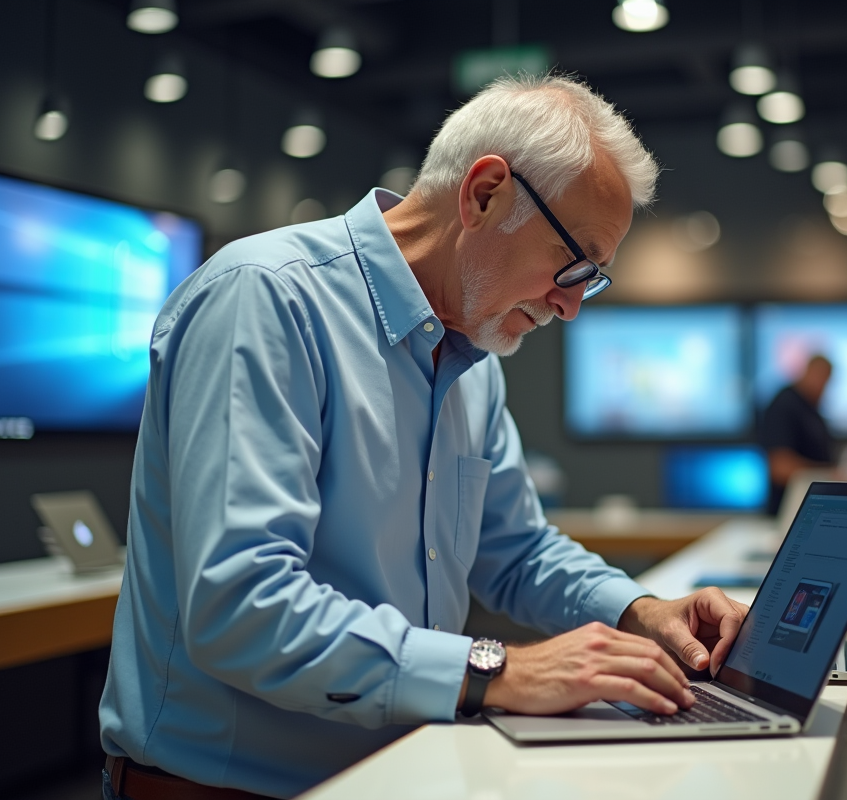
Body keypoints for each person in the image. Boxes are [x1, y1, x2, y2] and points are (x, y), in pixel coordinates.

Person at [98, 75, 749, 800]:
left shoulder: (472, 357)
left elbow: (517, 551)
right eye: (575, 265)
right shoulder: (265, 299)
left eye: (590, 282)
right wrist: (496, 669)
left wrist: (642, 613)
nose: (570, 307)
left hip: (404, 772)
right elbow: (243, 607)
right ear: (484, 194)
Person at [758, 355, 835, 514]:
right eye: (820, 378)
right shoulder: (784, 405)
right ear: (807, 372)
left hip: (812, 511)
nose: (823, 387)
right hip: (788, 513)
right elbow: (780, 467)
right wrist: (829, 476)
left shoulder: (812, 408)